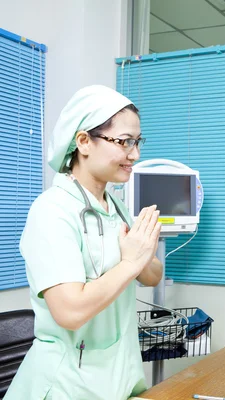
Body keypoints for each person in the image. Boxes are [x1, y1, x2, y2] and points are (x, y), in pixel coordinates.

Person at [5, 85, 163, 400]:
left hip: (120, 377)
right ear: (83, 142)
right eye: (124, 142)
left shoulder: (115, 206)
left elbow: (152, 274)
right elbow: (70, 311)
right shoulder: (52, 211)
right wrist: (131, 262)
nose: (135, 154)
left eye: (137, 141)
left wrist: (141, 255)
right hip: (68, 385)